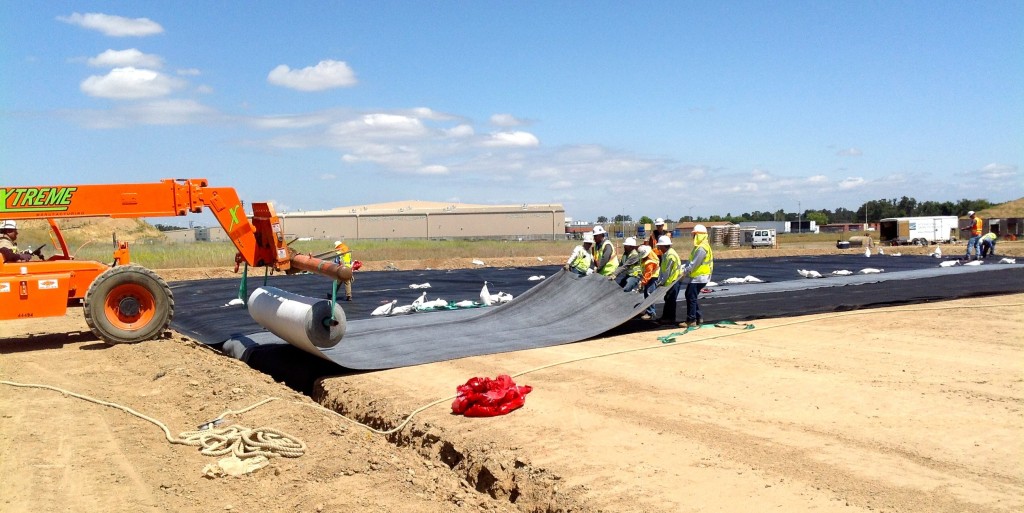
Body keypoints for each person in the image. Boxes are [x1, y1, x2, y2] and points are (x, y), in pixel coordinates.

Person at [678, 224, 714, 328]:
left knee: (690, 296)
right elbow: (690, 262)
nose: (693, 237)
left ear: (700, 235)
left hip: (700, 277)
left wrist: (684, 272)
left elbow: (694, 264)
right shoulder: (699, 247)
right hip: (699, 277)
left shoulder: (701, 249)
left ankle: (691, 320)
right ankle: (698, 317)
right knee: (691, 296)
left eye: (695, 235)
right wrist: (684, 268)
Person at [653, 235, 682, 325]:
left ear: (663, 246)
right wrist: (660, 280)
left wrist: (661, 282)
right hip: (670, 281)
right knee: (668, 299)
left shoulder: (670, 255)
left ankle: (670, 319)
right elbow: (662, 269)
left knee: (671, 300)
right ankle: (665, 317)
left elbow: (667, 271)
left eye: (659, 246)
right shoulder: (666, 254)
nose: (658, 248)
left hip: (674, 280)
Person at [637, 244, 661, 320]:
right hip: (650, 277)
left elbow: (648, 274)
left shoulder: (650, 262)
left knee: (649, 294)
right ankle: (649, 311)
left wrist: (642, 283)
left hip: (652, 278)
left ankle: (651, 312)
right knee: (647, 294)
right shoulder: (650, 255)